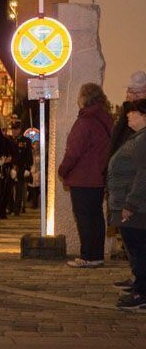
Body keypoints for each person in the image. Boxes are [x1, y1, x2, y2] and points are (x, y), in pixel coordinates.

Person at [58, 82, 113, 268]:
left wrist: (63, 170)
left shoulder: (86, 121)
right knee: (96, 217)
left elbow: (74, 151)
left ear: (84, 98)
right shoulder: (105, 119)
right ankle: (96, 254)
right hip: (98, 177)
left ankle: (88, 255)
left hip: (83, 179)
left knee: (84, 218)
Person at [109, 99, 146, 308]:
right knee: (136, 247)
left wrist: (130, 203)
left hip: (136, 207)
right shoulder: (138, 137)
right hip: (132, 203)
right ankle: (140, 286)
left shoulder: (143, 140)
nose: (128, 116)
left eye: (133, 113)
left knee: (138, 248)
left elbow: (143, 173)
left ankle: (142, 292)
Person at [108, 71, 146, 159]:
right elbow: (115, 141)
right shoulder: (125, 112)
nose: (135, 96)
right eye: (132, 92)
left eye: (139, 92)